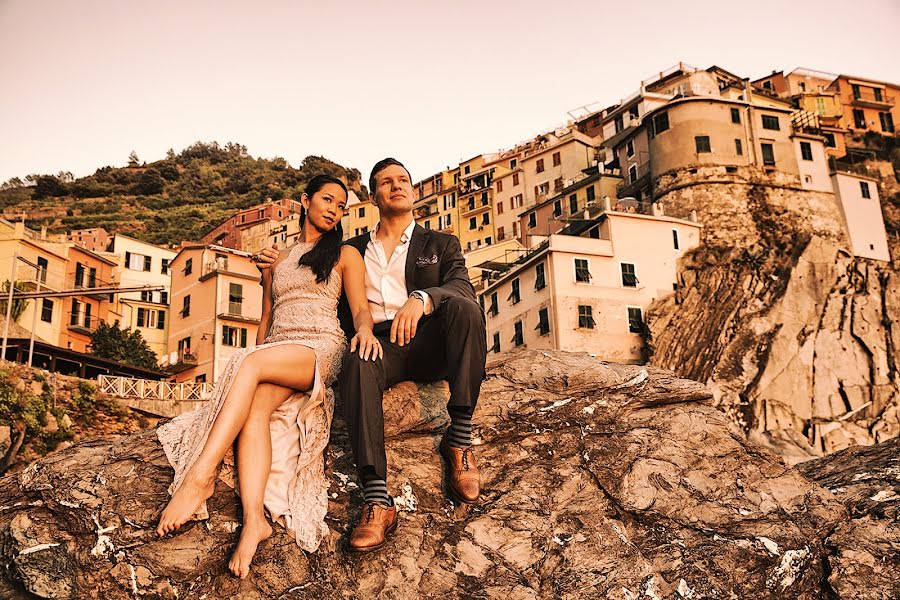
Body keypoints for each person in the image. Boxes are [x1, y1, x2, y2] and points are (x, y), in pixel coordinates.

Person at [155, 174, 382, 578]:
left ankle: (200, 477)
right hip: (280, 348)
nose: (333, 209)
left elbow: (360, 308)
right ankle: (253, 522)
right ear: (305, 200)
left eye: (341, 206)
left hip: (320, 348)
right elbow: (266, 320)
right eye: (327, 200)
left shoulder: (346, 254)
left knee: (246, 362)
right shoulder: (277, 259)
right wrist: (256, 357)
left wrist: (363, 329)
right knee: (254, 410)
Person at [256, 158, 487, 553]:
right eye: (386, 182)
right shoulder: (352, 249)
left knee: (466, 308)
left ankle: (459, 438)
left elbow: (461, 288)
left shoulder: (440, 244)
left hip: (430, 338)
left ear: (413, 191)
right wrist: (274, 260)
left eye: (403, 180)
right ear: (373, 196)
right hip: (380, 343)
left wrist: (423, 298)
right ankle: (377, 498)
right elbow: (310, 269)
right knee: (357, 358)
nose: (396, 186)